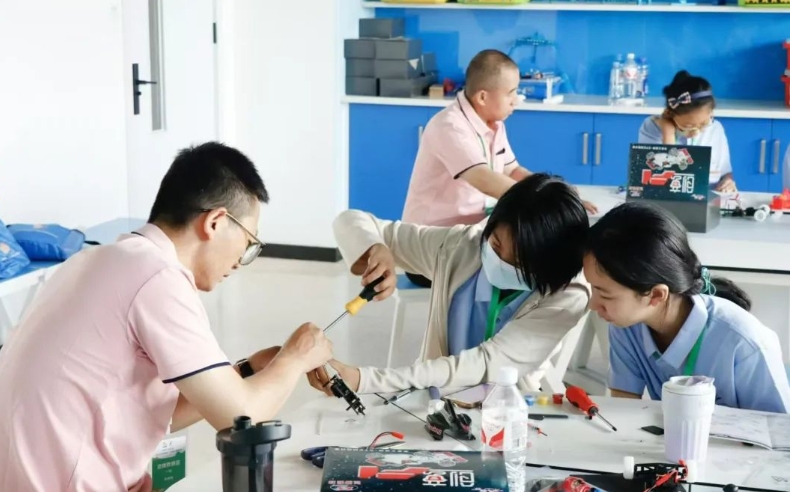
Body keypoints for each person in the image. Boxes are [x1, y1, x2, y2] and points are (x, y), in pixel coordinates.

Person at [0, 143, 333, 491]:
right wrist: (297, 356)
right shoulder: (157, 277)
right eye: (249, 242)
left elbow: (152, 410)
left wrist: (246, 371)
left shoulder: (97, 260)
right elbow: (240, 418)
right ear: (216, 222)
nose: (240, 261)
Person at [307, 173, 591, 396]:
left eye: (518, 262)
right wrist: (376, 248)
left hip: (509, 412)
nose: (499, 260)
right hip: (433, 401)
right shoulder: (460, 247)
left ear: (548, 265)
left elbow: (486, 363)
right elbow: (351, 220)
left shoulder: (568, 294)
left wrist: (367, 380)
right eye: (495, 244)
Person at [401, 49, 598, 288]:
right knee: (530, 267)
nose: (517, 99)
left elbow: (513, 170)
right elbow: (484, 179)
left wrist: (557, 191)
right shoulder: (450, 127)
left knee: (538, 260)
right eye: (511, 92)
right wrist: (549, 206)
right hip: (430, 251)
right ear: (483, 97)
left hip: (468, 239)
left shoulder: (493, 124)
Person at [584, 201, 790, 413]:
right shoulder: (626, 327)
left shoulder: (744, 343)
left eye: (604, 294)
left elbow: (778, 429)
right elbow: (624, 408)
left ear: (656, 295)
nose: (593, 304)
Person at [638, 70, 736, 193]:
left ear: (711, 113)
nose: (695, 132)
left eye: (703, 124)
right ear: (670, 113)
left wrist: (728, 181)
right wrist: (668, 134)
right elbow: (656, 180)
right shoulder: (652, 127)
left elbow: (725, 172)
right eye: (687, 126)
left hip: (707, 197)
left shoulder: (715, 129)